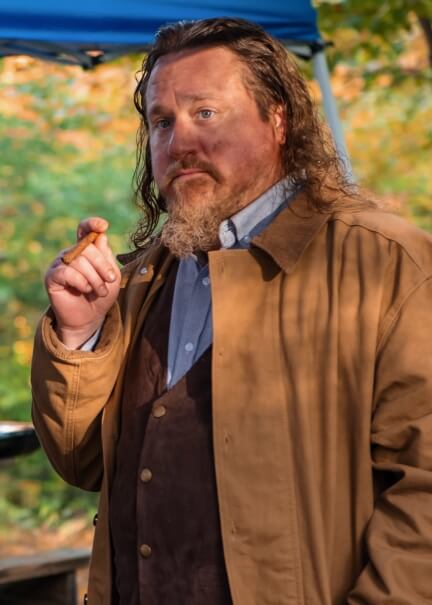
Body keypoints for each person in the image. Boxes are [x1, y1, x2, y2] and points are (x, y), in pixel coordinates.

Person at [31, 17, 432, 605]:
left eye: (206, 113)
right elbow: (84, 464)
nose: (180, 142)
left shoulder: (384, 262)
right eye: (162, 122)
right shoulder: (145, 274)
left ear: (278, 120)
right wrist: (79, 333)